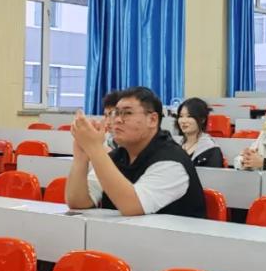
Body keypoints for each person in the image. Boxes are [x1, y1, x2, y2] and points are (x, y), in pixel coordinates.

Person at [66, 86, 206, 217]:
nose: (117, 120)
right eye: (116, 113)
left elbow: (132, 207)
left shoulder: (172, 161)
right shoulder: (116, 157)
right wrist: (81, 156)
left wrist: (94, 148)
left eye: (127, 113)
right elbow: (78, 203)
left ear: (152, 120)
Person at [176, 97, 224, 168]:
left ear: (202, 119)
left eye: (189, 116)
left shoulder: (211, 149)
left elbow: (214, 174)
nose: (183, 121)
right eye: (181, 116)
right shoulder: (176, 145)